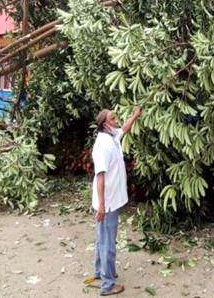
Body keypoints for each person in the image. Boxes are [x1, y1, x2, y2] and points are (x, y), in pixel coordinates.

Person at [86, 106, 141, 296]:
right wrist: (101, 205)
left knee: (103, 238)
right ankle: (108, 285)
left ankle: (100, 273)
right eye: (113, 118)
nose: (116, 120)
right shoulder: (102, 146)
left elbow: (124, 129)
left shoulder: (111, 136)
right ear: (104, 124)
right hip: (107, 203)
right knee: (108, 242)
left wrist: (134, 115)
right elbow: (100, 177)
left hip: (110, 201)